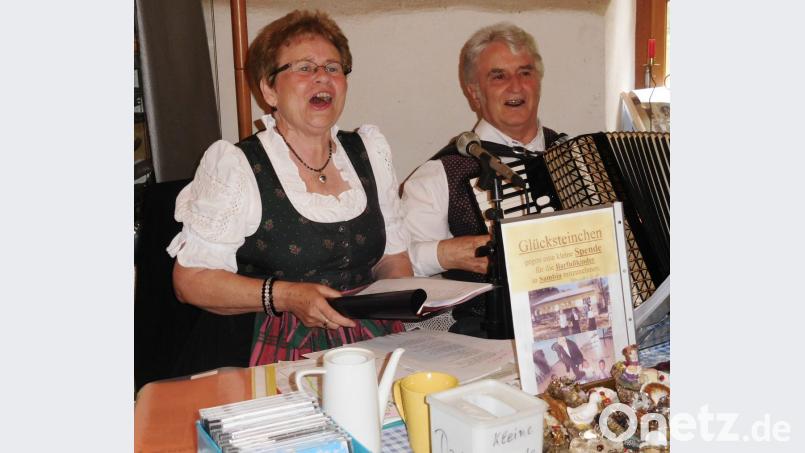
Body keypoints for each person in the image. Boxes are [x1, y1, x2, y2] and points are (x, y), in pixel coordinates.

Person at [166, 10, 413, 368]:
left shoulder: (369, 152)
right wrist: (285, 295)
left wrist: (400, 300)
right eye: (305, 68)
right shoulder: (238, 166)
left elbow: (392, 257)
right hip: (274, 346)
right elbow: (190, 282)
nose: (322, 78)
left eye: (332, 68)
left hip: (371, 337)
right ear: (269, 89)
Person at [401, 22, 567, 337]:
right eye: (499, 76)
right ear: (474, 94)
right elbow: (398, 270)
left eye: (526, 73)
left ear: (539, 83)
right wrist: (445, 253)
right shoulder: (438, 175)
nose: (516, 87)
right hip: (487, 340)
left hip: (581, 327)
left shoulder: (578, 158)